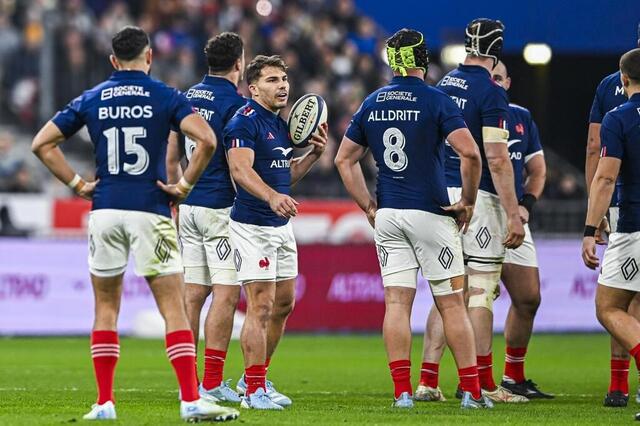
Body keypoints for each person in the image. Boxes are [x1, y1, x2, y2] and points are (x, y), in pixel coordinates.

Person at [31, 26, 239, 422]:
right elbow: (208, 140)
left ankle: (105, 402)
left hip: (105, 210)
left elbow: (42, 143)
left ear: (113, 60)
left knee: (106, 308)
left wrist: (78, 185)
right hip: (150, 208)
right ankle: (191, 399)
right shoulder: (165, 96)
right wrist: (183, 185)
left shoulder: (92, 97)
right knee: (173, 308)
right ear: (148, 58)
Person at [336, 28, 491, 409]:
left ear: (392, 61)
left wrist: (368, 207)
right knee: (452, 303)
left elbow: (344, 159)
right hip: (431, 212)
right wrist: (468, 201)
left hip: (388, 214)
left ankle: (402, 393)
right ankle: (472, 392)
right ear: (423, 60)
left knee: (396, 305)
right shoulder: (437, 100)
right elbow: (470, 154)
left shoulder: (372, 101)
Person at [417, 18, 527, 404]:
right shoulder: (492, 92)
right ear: (497, 49)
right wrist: (514, 213)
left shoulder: (444, 83)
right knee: (479, 293)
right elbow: (497, 160)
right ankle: (480, 383)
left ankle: (428, 382)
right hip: (475, 196)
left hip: (437, 195)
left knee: (447, 294)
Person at [223, 55, 327, 410]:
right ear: (253, 88)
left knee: (284, 304)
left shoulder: (281, 125)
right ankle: (253, 392)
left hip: (280, 226)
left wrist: (313, 155)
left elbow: (284, 176)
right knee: (261, 305)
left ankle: (256, 377)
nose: (282, 85)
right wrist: (271, 196)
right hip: (252, 226)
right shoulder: (244, 122)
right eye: (271, 80)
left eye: (283, 78)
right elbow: (240, 171)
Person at [166, 31, 246, 403]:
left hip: (189, 204)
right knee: (226, 295)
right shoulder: (236, 103)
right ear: (239, 64)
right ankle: (211, 382)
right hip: (220, 208)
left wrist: (176, 191)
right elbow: (236, 163)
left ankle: (189, 380)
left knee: (194, 293)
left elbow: (171, 151)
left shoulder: (186, 96)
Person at [582, 47, 640, 417]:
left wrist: (591, 227)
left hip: (633, 224)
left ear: (623, 79)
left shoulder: (619, 117)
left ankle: (621, 380)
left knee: (609, 307)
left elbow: (605, 175)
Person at [493, 61, 552, 398]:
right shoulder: (469, 113)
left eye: (499, 78)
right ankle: (470, 379)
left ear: (509, 82)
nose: (494, 84)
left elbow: (538, 170)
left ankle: (513, 377)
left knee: (528, 298)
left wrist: (526, 206)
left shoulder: (521, 117)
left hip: (514, 215)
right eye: (490, 79)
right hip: (478, 214)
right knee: (468, 298)